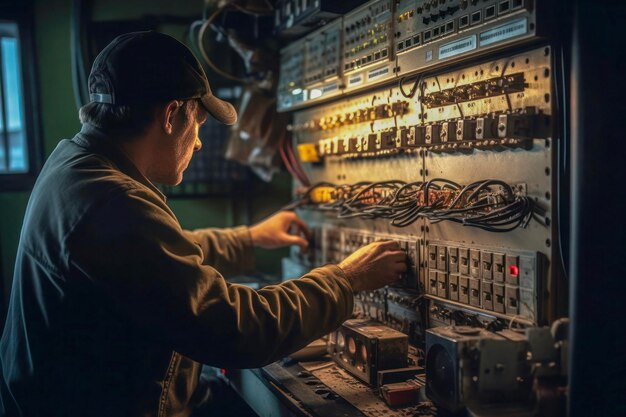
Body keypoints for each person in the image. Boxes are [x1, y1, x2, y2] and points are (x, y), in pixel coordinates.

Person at [0, 31, 407, 417]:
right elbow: (237, 330)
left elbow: (153, 259)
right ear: (172, 114)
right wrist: (345, 279)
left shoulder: (74, 165)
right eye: (199, 124)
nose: (196, 142)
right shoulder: (114, 200)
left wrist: (249, 237)